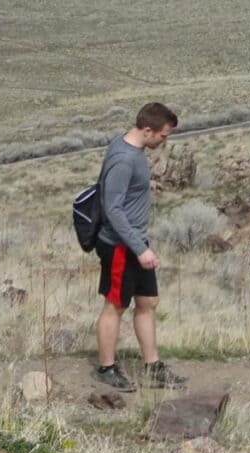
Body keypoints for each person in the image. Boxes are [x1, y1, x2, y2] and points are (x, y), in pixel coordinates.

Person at [93, 102, 186, 391]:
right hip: (121, 245)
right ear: (147, 130)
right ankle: (107, 368)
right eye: (163, 135)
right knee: (116, 306)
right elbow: (113, 209)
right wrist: (139, 248)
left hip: (136, 242)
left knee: (147, 303)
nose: (164, 140)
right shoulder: (124, 160)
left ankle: (153, 366)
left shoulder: (133, 150)